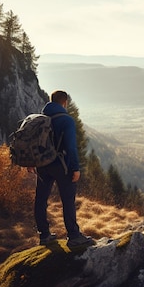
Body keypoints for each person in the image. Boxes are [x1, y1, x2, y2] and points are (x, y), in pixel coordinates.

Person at [32, 90, 93, 247]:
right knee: (67, 200)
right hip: (61, 165)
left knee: (41, 199)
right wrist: (75, 168)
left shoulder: (40, 119)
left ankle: (44, 235)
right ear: (65, 102)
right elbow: (71, 147)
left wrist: (32, 162)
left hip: (42, 165)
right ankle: (73, 236)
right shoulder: (66, 120)